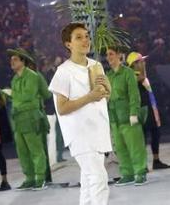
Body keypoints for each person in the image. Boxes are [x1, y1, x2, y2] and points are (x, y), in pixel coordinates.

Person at [48, 23, 112, 205]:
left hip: (98, 129)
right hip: (80, 133)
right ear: (68, 44)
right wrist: (90, 97)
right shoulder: (63, 72)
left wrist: (107, 88)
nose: (85, 40)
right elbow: (61, 107)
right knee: (99, 179)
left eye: (86, 36)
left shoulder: (96, 65)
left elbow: (105, 98)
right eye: (79, 37)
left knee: (88, 181)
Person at [7, 48, 51, 191]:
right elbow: (18, 99)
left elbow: (28, 97)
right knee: (23, 151)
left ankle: (40, 178)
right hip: (19, 120)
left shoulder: (32, 76)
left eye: (15, 59)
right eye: (11, 59)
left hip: (31, 118)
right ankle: (29, 178)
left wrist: (16, 103)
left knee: (36, 150)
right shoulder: (14, 79)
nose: (11, 62)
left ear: (23, 61)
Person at [105, 46, 147, 187]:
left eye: (111, 54)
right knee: (120, 148)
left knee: (135, 146)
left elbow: (134, 94)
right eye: (107, 55)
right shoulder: (108, 75)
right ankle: (127, 174)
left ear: (119, 55)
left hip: (128, 116)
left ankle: (140, 172)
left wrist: (134, 113)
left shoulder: (128, 73)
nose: (108, 57)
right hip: (114, 118)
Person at [125, 52, 170, 171]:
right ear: (134, 64)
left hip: (150, 107)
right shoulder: (132, 75)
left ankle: (156, 160)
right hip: (141, 109)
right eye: (141, 61)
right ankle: (143, 163)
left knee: (156, 133)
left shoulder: (140, 74)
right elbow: (141, 78)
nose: (144, 63)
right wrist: (142, 69)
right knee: (143, 137)